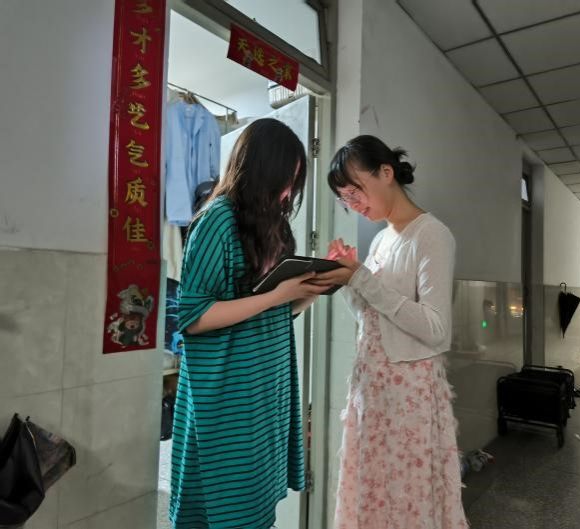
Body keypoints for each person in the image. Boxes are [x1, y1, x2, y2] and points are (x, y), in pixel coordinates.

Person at [169, 118, 327, 528]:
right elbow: (193, 317)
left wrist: (311, 290)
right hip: (226, 395)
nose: (289, 191)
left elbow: (270, 314)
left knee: (254, 507)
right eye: (286, 178)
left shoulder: (271, 224)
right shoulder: (217, 220)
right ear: (261, 169)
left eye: (295, 180)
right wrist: (278, 295)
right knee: (222, 506)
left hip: (262, 393)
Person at [313, 135, 469, 529]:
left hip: (408, 394)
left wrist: (361, 279)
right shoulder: (382, 238)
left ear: (386, 173)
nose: (353, 204)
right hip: (372, 389)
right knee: (374, 496)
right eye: (345, 199)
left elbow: (436, 330)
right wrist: (347, 281)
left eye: (355, 192)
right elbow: (371, 319)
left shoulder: (431, 234)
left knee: (406, 502)